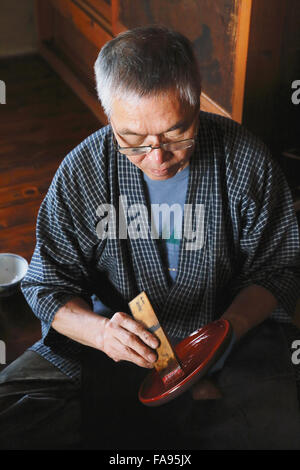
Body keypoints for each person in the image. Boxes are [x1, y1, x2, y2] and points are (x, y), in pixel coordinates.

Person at [0, 25, 300, 450]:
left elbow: (278, 269)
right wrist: (102, 333)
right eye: (133, 140)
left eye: (177, 132)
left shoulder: (245, 161)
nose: (157, 158)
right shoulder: (83, 170)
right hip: (111, 339)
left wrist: (223, 334)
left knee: (279, 428)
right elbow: (47, 286)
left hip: (230, 335)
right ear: (109, 116)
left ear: (197, 100)